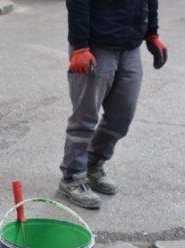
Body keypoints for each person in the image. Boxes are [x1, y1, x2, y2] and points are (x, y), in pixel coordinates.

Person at [57, 0, 168, 209]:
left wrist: (152, 33)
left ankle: (93, 164)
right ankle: (72, 177)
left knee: (122, 116)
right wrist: (80, 47)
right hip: (95, 46)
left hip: (130, 45)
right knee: (85, 118)